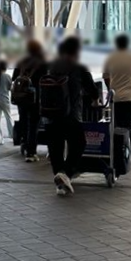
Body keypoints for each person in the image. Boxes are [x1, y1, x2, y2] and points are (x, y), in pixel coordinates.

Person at [40, 36, 99, 196]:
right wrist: (95, 99)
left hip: (50, 115)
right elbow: (91, 87)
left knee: (56, 150)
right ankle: (65, 173)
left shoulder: (51, 65)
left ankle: (60, 184)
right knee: (79, 143)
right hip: (70, 115)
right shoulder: (79, 66)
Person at [102, 33, 131, 133]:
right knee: (128, 126)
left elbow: (106, 77)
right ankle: (126, 141)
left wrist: (110, 89)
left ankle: (118, 142)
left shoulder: (110, 59)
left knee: (117, 126)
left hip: (116, 97)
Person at [11, 40, 47, 162]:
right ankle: (31, 152)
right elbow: (46, 79)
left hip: (22, 98)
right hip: (36, 98)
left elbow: (14, 78)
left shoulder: (21, 61)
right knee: (33, 125)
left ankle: (25, 145)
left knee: (24, 122)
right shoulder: (42, 62)